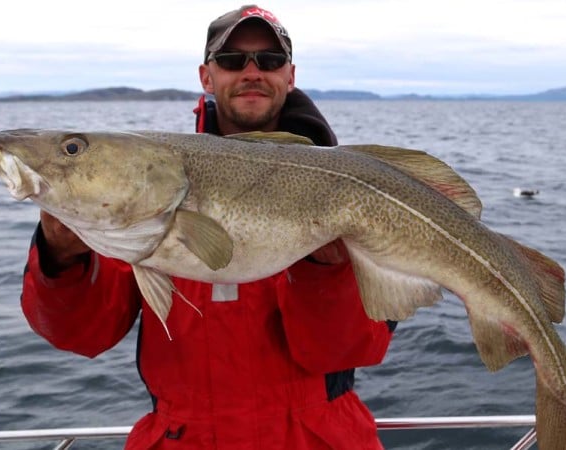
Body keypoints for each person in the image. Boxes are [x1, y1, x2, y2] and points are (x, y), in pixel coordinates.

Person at [20, 5, 395, 449]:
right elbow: (81, 335)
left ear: (290, 76)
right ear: (206, 76)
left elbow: (351, 351)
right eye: (233, 60)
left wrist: (325, 268)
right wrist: (61, 257)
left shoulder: (350, 185)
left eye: (270, 61)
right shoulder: (146, 193)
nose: (252, 72)